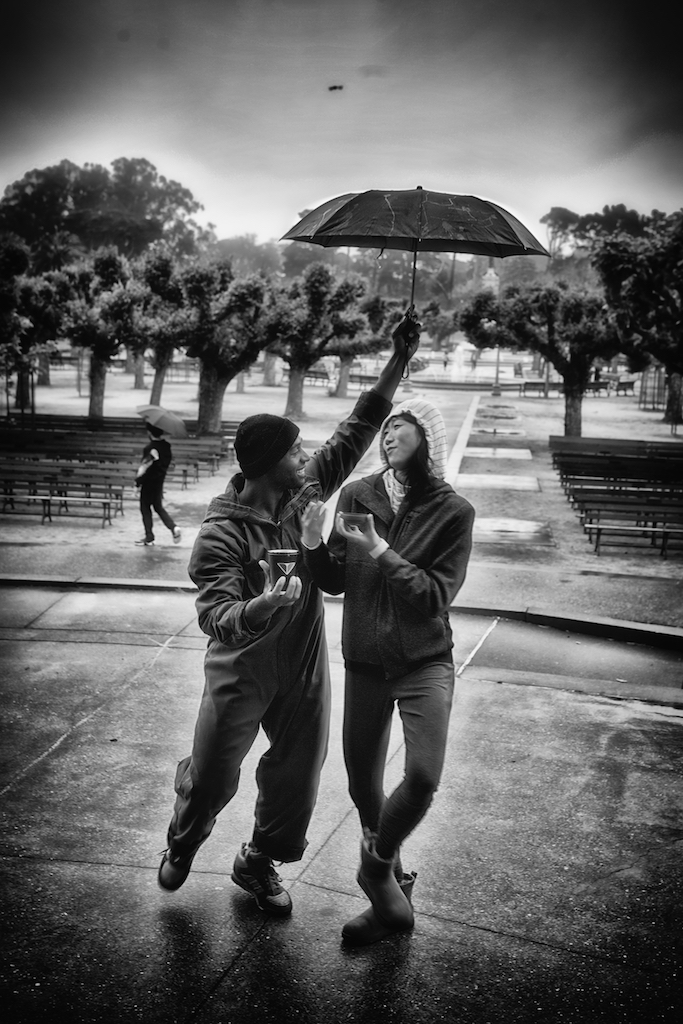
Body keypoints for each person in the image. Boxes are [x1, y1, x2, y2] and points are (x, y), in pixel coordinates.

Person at [157, 311, 421, 916]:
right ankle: (184, 836)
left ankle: (257, 861)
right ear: (269, 462)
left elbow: (357, 430)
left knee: (297, 777)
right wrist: (261, 605)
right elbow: (215, 614)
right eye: (296, 449)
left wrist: (398, 358)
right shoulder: (219, 534)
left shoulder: (304, 493)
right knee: (216, 777)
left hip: (302, 663)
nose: (308, 455)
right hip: (241, 668)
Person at [301, 397, 475, 945]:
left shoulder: (453, 512)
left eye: (400, 425)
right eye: (386, 426)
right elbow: (335, 579)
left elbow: (433, 597)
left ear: (428, 437)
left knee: (421, 776)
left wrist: (380, 549)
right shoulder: (357, 494)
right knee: (362, 784)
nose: (388, 434)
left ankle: (374, 867)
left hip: (425, 662)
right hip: (365, 662)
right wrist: (311, 544)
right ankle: (390, 897)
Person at [134, 423, 182, 547]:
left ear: (150, 433)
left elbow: (146, 467)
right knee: (158, 507)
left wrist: (138, 482)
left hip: (149, 482)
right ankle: (173, 527)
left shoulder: (150, 448)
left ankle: (149, 536)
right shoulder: (166, 447)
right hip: (159, 481)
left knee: (145, 508)